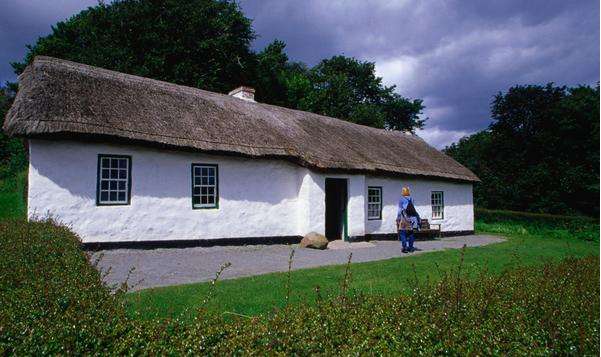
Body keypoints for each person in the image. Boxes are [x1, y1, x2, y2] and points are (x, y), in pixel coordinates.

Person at [396, 186, 420, 253]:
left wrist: (398, 218)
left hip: (404, 219)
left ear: (403, 192)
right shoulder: (411, 199)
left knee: (402, 233)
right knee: (411, 233)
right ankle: (411, 248)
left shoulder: (401, 199)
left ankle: (404, 248)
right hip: (411, 219)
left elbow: (400, 210)